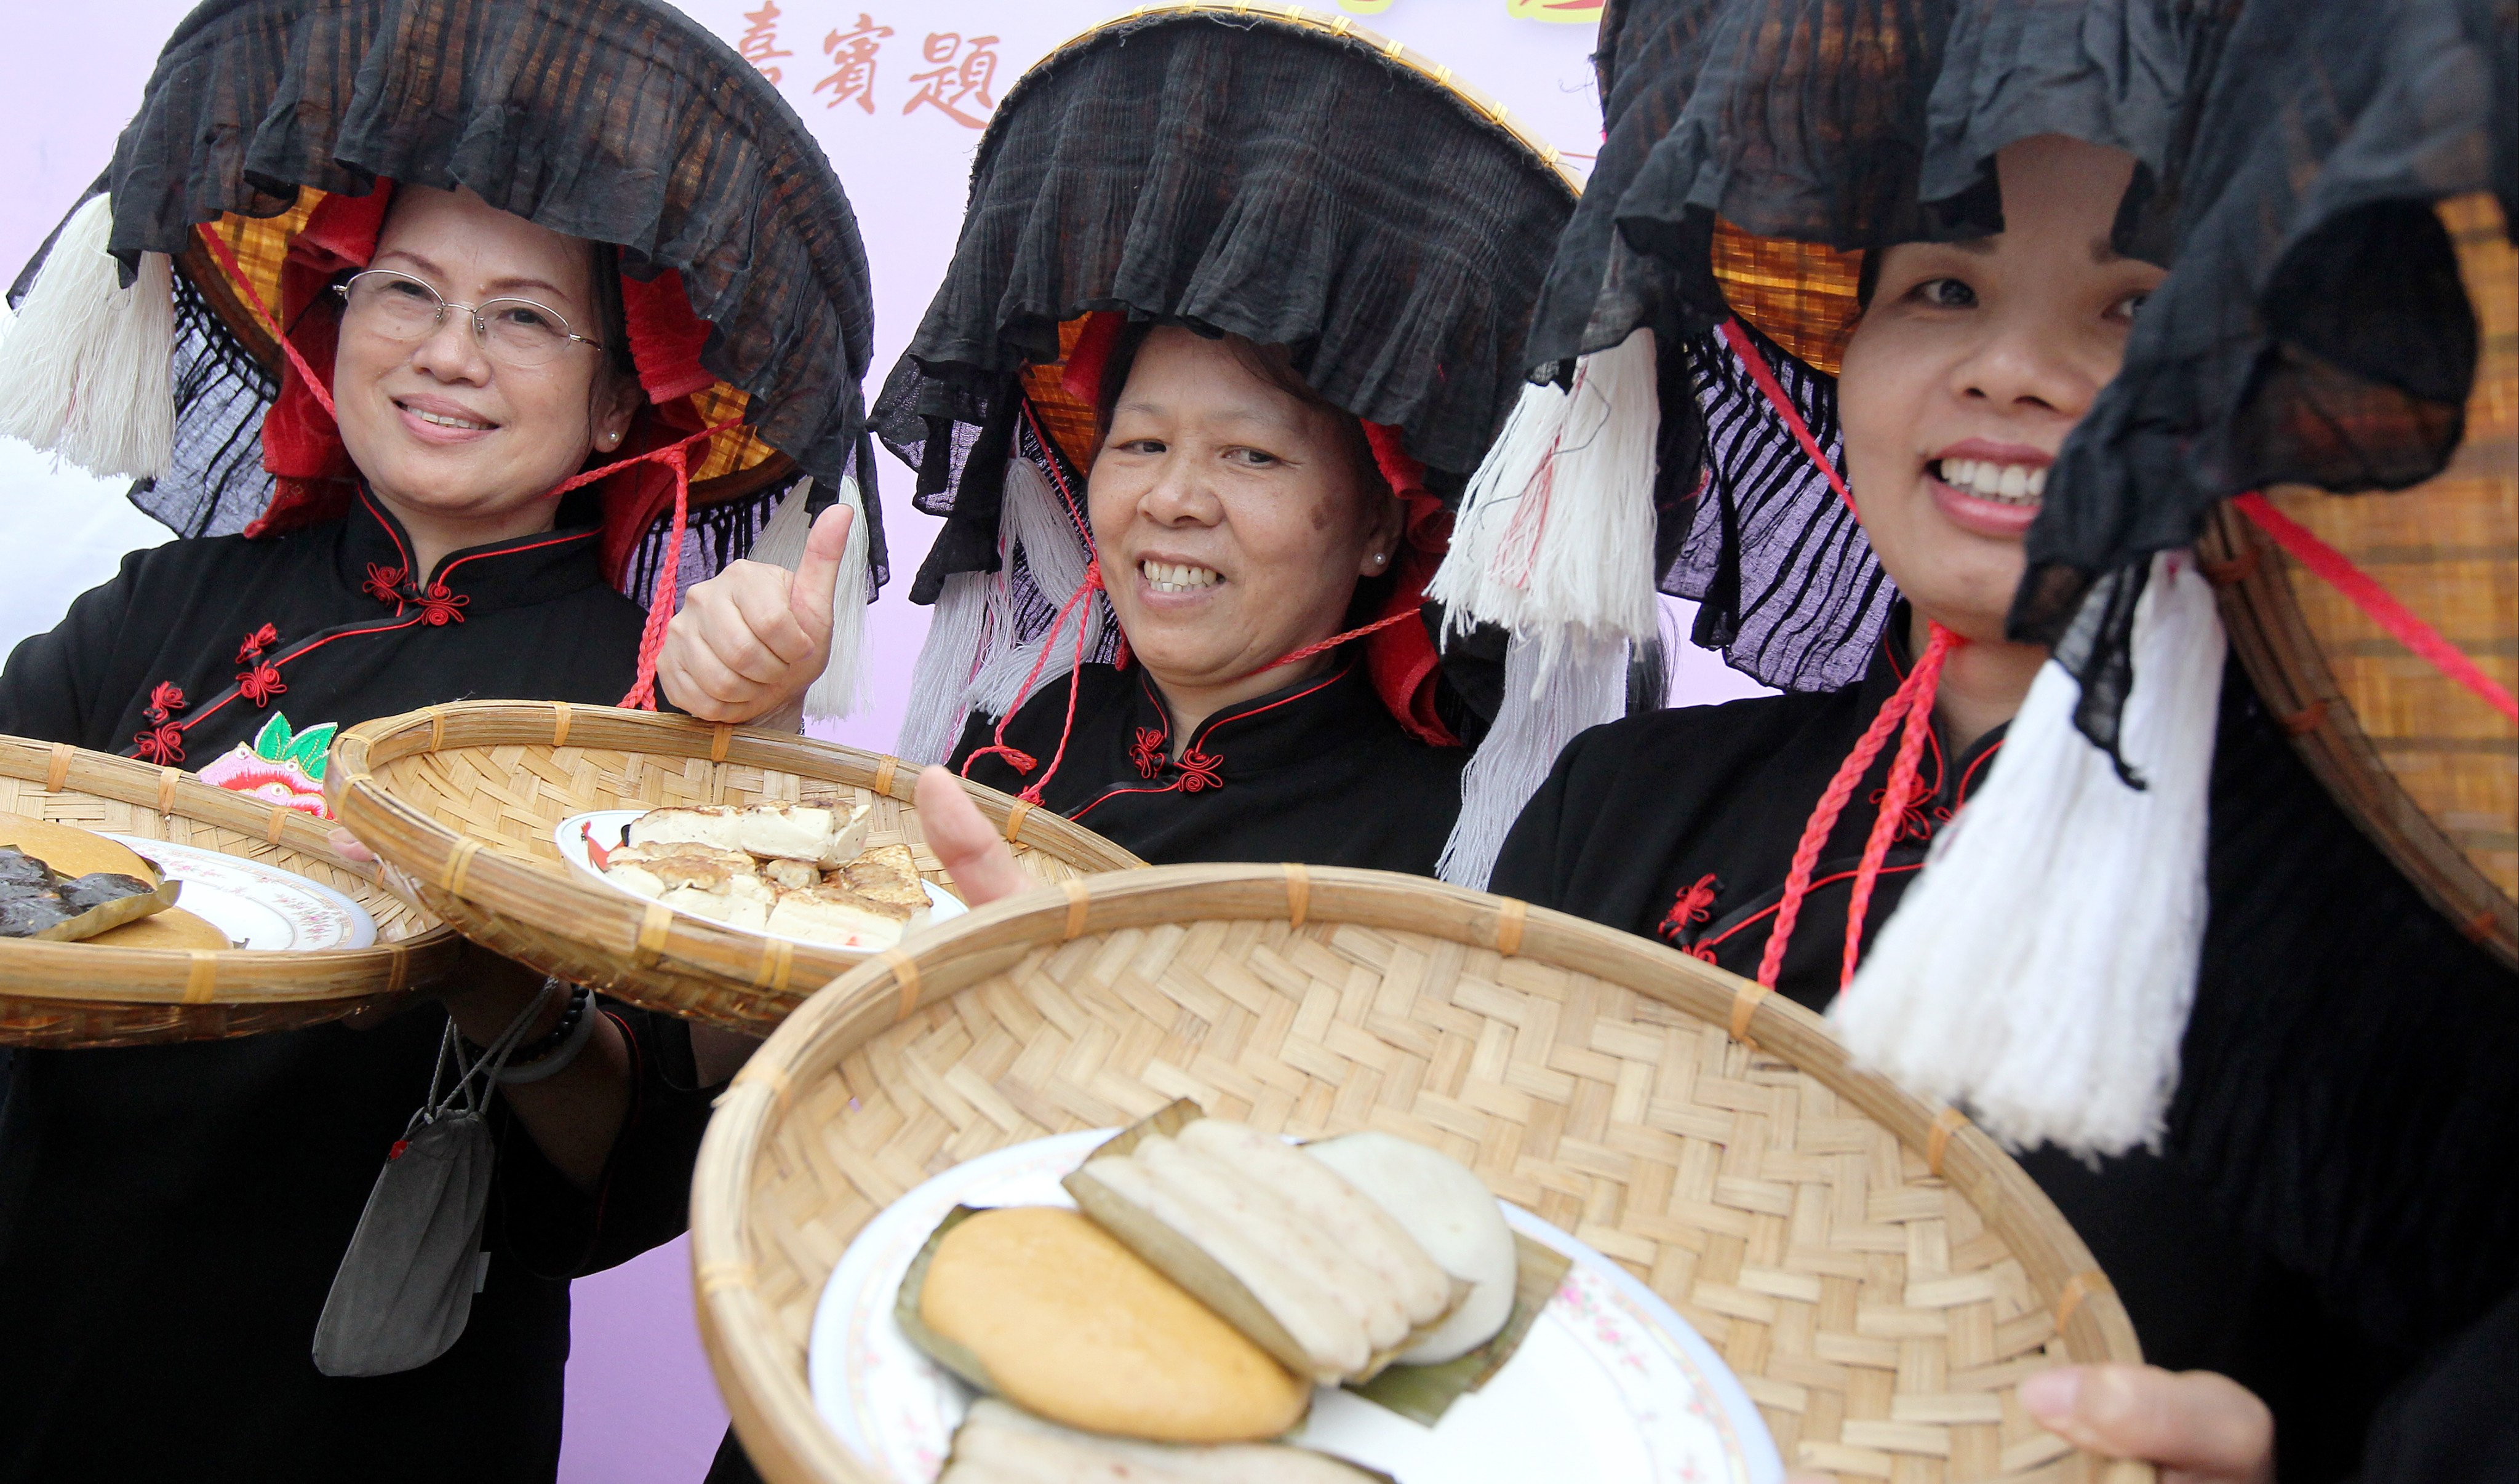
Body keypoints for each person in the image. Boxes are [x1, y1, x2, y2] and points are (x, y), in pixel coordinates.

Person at [1477, 0, 2517, 1477]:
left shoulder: (2395, 949)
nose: (2010, 369)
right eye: (1944, 292)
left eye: (2139, 310)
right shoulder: (1623, 804)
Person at [0, 0, 878, 1477]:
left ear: (618, 400)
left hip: (368, 1411)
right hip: (44, 1317)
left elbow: (632, 1170)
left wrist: (513, 980)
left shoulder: (649, 704)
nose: (447, 352)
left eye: (524, 315)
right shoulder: (164, 602)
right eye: (403, 290)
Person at [660, 6, 1601, 887]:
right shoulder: (1024, 732)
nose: (1171, 499)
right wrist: (763, 728)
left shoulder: (1445, 834)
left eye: (1251, 456)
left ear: (1379, 528)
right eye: (1141, 443)